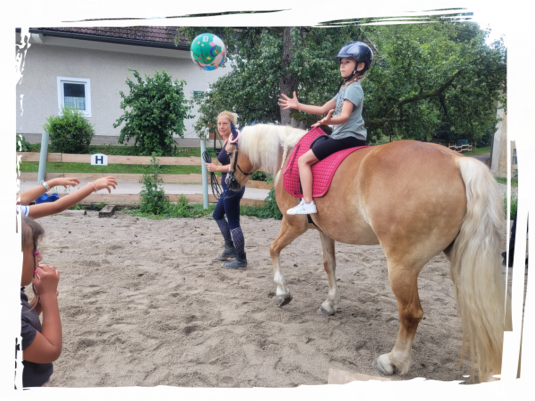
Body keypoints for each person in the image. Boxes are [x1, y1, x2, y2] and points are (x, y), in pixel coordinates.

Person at [278, 42, 373, 215]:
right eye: (341, 63)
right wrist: (298, 105)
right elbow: (322, 109)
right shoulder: (345, 88)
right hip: (345, 135)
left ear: (359, 66)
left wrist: (327, 122)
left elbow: (344, 116)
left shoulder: (353, 89)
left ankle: (308, 202)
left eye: (347, 63)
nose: (342, 66)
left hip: (346, 137)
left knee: (303, 160)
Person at [0, 210, 61, 399]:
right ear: (7, 264)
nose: (39, 257)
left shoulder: (9, 293)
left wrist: (39, 302)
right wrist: (49, 296)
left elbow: (23, 320)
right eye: (34, 251)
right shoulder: (4, 323)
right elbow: (51, 350)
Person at [205, 111, 248, 269]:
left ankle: (241, 259)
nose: (221, 126)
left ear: (231, 124)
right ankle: (230, 248)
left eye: (225, 123)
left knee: (234, 222)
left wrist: (216, 167)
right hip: (227, 186)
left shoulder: (235, 140)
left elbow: (237, 165)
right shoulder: (227, 139)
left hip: (233, 185)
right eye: (219, 123)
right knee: (217, 214)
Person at [0, 173, 117, 218]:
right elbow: (56, 206)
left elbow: (22, 199)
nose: (4, 175)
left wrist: (52, 183)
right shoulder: (3, 211)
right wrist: (92, 186)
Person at [502, 138, 535, 273]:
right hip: (527, 196)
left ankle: (532, 262)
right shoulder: (532, 152)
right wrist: (532, 147)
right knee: (519, 229)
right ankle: (511, 257)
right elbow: (523, 165)